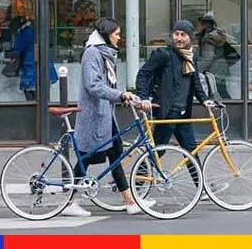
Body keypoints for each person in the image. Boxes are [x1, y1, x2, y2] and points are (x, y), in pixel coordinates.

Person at [62, 17, 155, 217]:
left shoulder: (103, 53)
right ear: (106, 34)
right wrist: (119, 95)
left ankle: (130, 201)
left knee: (115, 154)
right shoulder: (92, 53)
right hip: (94, 115)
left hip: (104, 114)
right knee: (86, 156)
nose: (120, 38)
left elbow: (106, 85)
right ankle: (71, 202)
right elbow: (93, 85)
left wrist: (130, 97)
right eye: (117, 34)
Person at [135, 20, 225, 197]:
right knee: (157, 151)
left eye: (183, 35)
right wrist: (143, 97)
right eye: (176, 34)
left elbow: (195, 81)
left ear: (190, 37)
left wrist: (205, 100)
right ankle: (133, 187)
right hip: (167, 111)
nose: (179, 38)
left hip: (183, 112)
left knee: (191, 150)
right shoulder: (164, 55)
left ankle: (203, 188)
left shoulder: (190, 56)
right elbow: (143, 74)